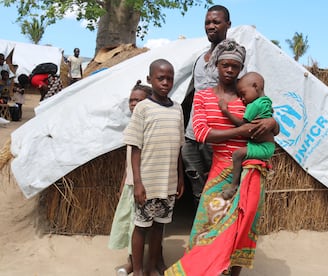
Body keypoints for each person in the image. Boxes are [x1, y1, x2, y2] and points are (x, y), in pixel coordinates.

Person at [165, 40, 278, 276]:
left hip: (251, 172)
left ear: (241, 68)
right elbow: (203, 134)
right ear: (216, 65)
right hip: (220, 172)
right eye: (224, 65)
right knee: (206, 225)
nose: (229, 70)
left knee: (240, 229)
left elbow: (271, 126)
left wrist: (273, 122)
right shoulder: (203, 97)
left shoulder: (248, 95)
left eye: (234, 67)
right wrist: (242, 131)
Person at [123, 59, 185, 276]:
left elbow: (178, 147)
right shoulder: (143, 108)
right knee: (141, 227)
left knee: (160, 226)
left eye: (169, 78)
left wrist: (180, 178)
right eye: (160, 78)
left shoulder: (177, 109)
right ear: (150, 79)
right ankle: (138, 269)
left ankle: (150, 268)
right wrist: (138, 182)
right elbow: (135, 147)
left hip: (167, 182)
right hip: (147, 182)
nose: (166, 82)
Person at [181, 4, 231, 207]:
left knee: (217, 184)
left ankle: (216, 233)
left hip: (216, 134)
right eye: (208, 22)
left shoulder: (231, 56)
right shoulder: (200, 59)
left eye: (216, 22)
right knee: (196, 183)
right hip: (193, 132)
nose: (211, 26)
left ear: (228, 24)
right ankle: (200, 229)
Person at [108, 80, 152, 276]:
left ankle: (142, 264)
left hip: (145, 185)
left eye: (138, 100)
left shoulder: (150, 125)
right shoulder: (131, 125)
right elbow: (129, 161)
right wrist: (123, 183)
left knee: (141, 226)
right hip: (130, 185)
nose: (134, 104)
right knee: (129, 226)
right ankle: (132, 262)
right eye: (131, 100)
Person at [219, 72, 276, 199]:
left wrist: (225, 111)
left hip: (263, 147)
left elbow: (242, 125)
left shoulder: (254, 105)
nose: (242, 99)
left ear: (256, 86)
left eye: (243, 94)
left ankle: (233, 185)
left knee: (237, 155)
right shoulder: (267, 102)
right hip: (268, 145)